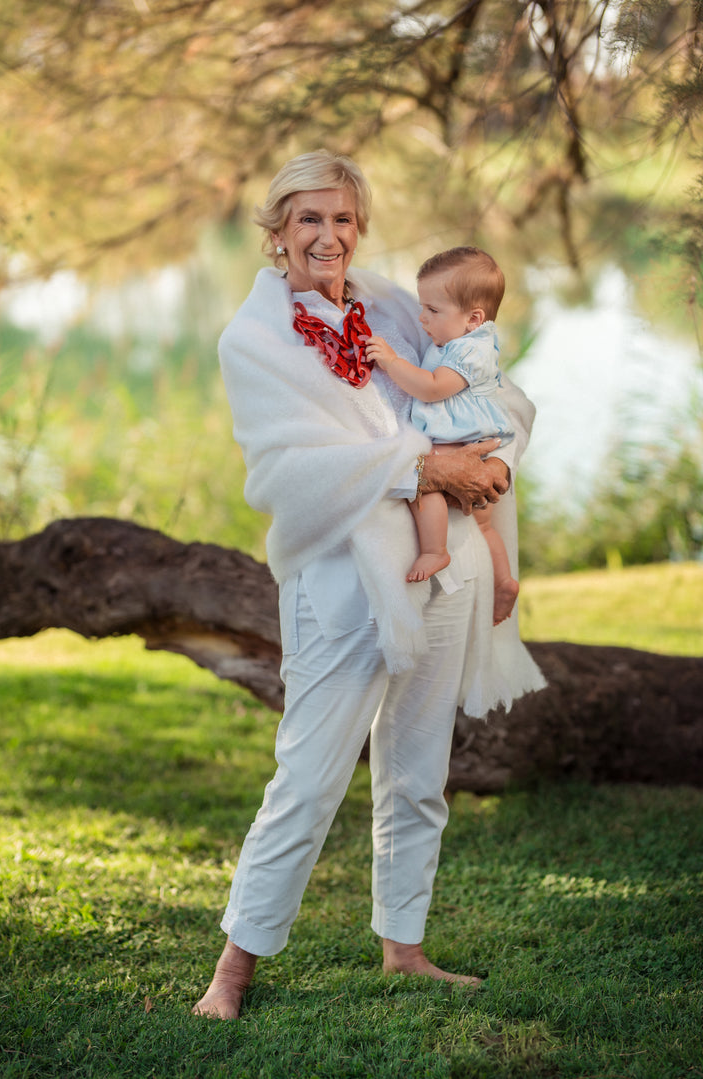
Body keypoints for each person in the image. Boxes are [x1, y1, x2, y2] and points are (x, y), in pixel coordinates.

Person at [194, 150, 545, 1022]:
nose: (329, 235)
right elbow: (286, 474)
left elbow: (494, 393)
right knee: (308, 780)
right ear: (276, 231)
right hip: (347, 586)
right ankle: (232, 971)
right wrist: (423, 460)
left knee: (420, 768)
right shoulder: (255, 339)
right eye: (310, 218)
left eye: (344, 218)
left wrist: (487, 464)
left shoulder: (393, 302)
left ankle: (405, 946)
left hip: (447, 562)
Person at [365, 246, 520, 626]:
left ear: (473, 318)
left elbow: (433, 388)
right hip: (478, 438)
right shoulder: (468, 341)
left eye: (433, 311)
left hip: (463, 441)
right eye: (422, 307)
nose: (422, 319)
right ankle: (504, 580)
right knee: (485, 526)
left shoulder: (469, 352)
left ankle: (435, 550)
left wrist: (390, 361)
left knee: (427, 481)